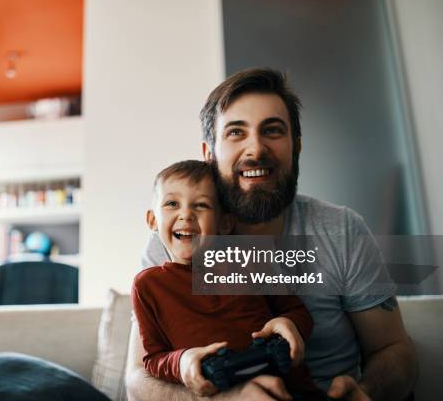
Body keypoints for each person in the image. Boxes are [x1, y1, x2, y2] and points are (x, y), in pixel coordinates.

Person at [125, 68, 417, 401]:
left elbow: (396, 350)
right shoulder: (175, 242)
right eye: (236, 132)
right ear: (208, 154)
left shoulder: (343, 230)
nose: (256, 149)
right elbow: (138, 381)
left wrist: (365, 392)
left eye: (273, 130)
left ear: (297, 146)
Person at [132, 159, 322, 399]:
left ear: (225, 224)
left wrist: (289, 324)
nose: (186, 215)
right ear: (152, 221)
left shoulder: (249, 261)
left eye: (201, 205)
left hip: (290, 387)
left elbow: (297, 311)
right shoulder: (148, 286)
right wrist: (182, 362)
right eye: (172, 203)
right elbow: (152, 358)